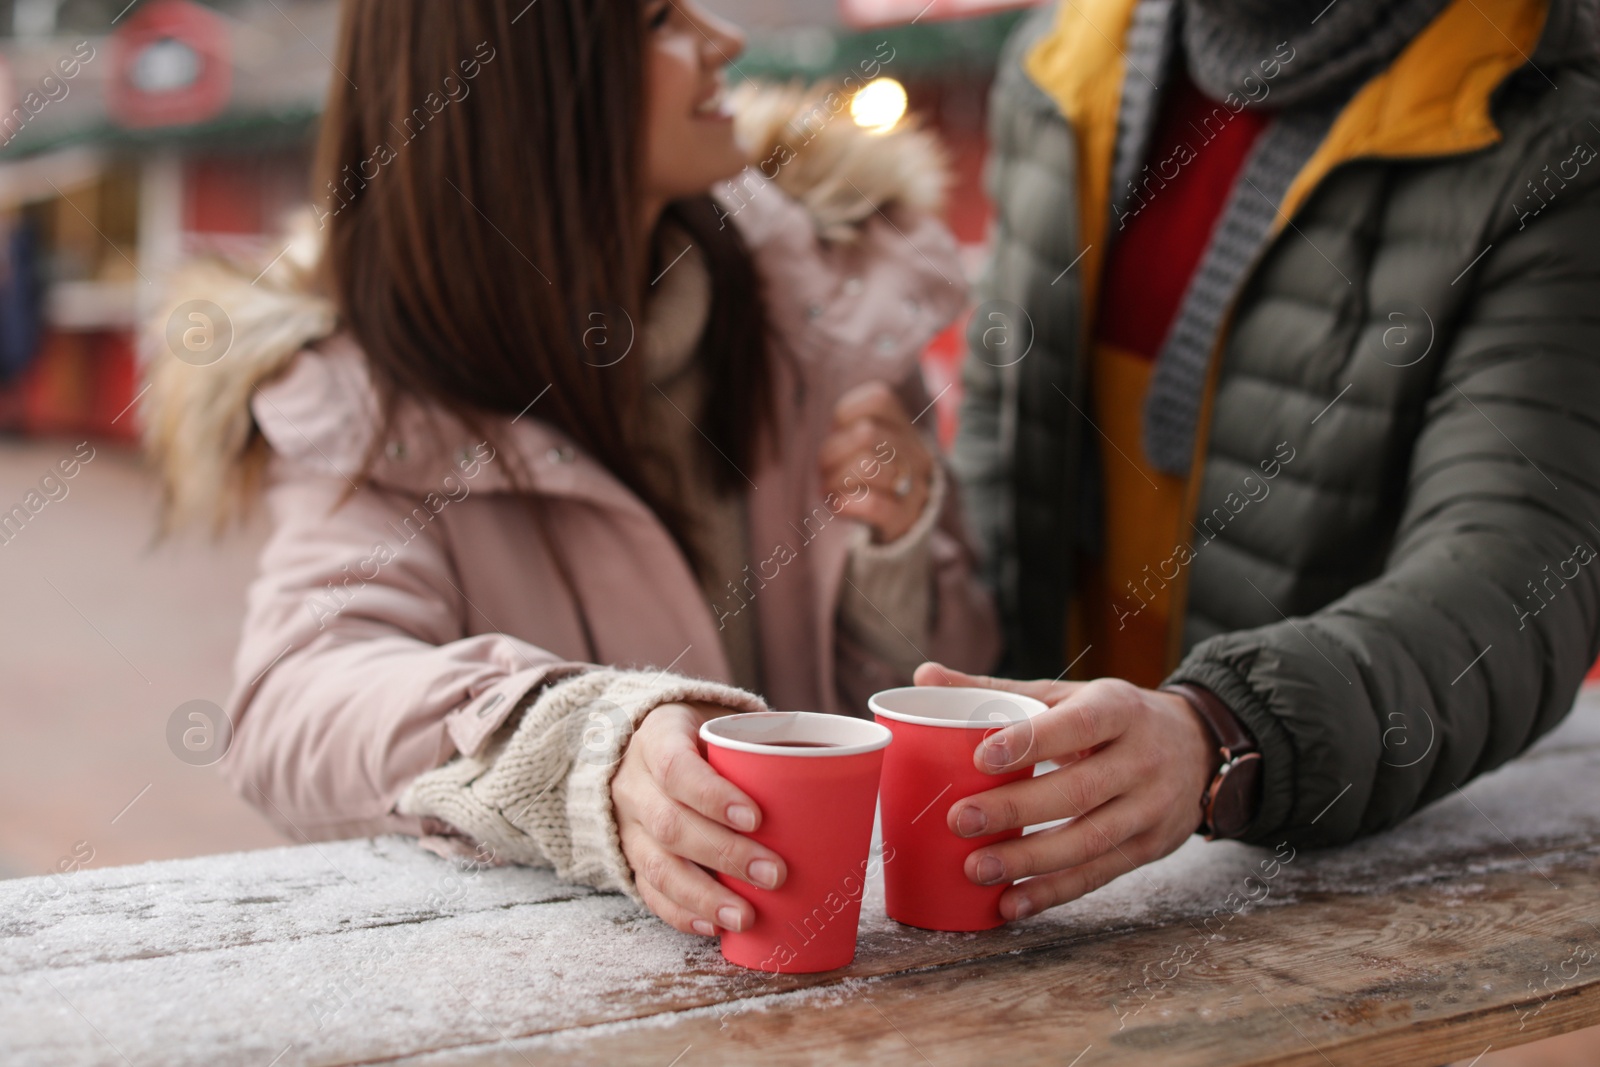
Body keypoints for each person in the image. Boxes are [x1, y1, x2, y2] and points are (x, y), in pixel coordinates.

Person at [144, 0, 998, 940]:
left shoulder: (840, 300)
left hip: (855, 984)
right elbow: (289, 708)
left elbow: (949, 676)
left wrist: (896, 547)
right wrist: (574, 745)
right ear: (513, 86)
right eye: (659, 20)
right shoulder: (367, 391)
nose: (725, 40)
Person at [933, 0, 1600, 921]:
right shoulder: (1060, 57)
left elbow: (1519, 569)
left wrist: (1220, 732)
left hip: (1303, 905)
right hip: (1035, 878)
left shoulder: (1554, 125)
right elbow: (1000, 469)